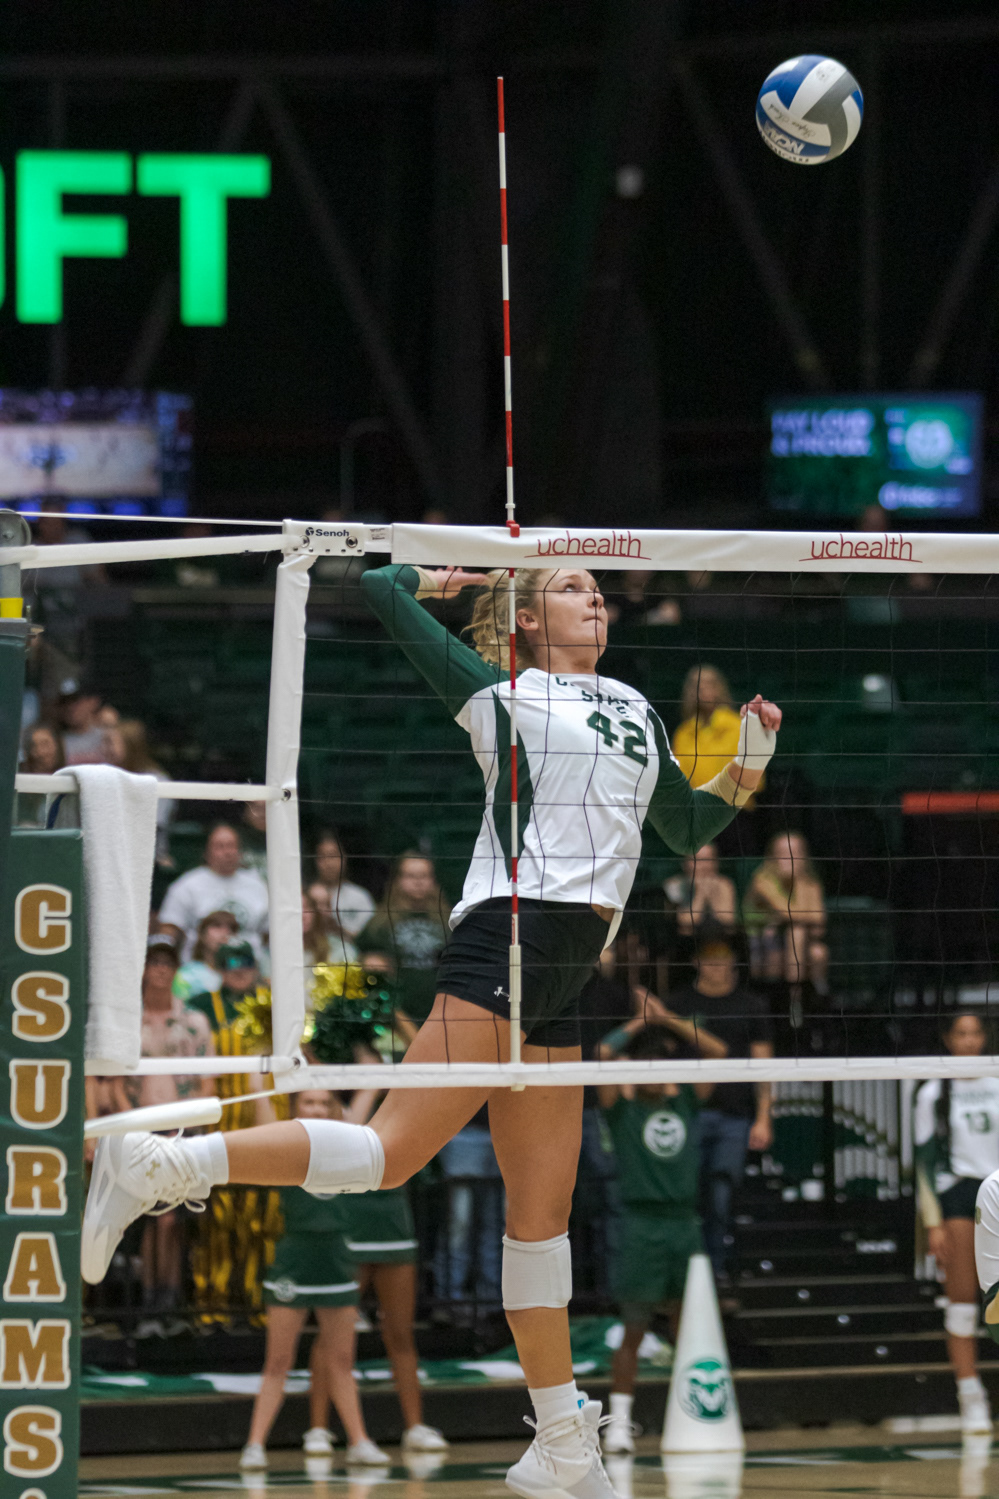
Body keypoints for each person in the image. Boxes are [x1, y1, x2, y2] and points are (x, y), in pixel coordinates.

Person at [82, 561, 781, 1499]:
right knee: (391, 1152)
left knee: (540, 1222)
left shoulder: (633, 704)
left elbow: (680, 830)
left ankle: (561, 1441)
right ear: (526, 620)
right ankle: (165, 1165)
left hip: (574, 958)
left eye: (596, 587)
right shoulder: (504, 696)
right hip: (517, 927)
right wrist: (428, 576)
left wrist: (747, 765)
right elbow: (377, 590)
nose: (595, 596)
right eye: (571, 587)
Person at [241, 1088, 390, 1471]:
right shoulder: (287, 1147)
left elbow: (366, 1095)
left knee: (342, 1361)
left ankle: (359, 1441)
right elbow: (262, 1119)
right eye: (309, 1102)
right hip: (295, 1260)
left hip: (337, 1261)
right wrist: (259, 1084)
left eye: (324, 1102)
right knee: (278, 1361)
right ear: (295, 1108)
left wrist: (368, 1076)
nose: (317, 1108)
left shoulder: (348, 1143)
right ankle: (255, 1446)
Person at [595, 1026, 720, 1455]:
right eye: (645, 1067)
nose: (653, 1075)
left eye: (660, 1068)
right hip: (641, 1224)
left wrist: (669, 1020)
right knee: (633, 1328)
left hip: (685, 1224)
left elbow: (719, 1052)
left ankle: (687, 1419)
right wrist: (635, 1026)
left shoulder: (684, 1100)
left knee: (690, 1329)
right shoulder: (621, 1109)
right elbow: (600, 1055)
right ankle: (617, 1425)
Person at [312, 1085, 448, 1456]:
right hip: (352, 1231)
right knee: (333, 1338)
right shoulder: (337, 1110)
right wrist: (369, 1081)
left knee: (400, 1335)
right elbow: (353, 1128)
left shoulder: (407, 1107)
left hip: (394, 1230)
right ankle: (319, 1430)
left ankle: (415, 1426)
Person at [669, 939, 774, 1284]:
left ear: (733, 965)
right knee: (685, 1194)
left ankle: (715, 1270)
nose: (716, 968)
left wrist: (763, 1117)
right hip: (687, 1113)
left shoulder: (751, 1005)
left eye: (723, 961)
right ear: (697, 963)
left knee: (721, 1194)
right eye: (709, 961)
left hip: (734, 1114)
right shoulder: (679, 1002)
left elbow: (763, 1066)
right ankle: (686, 1269)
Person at [916, 1014, 999, 1435]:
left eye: (975, 1033)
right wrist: (932, 1223)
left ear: (984, 1038)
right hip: (960, 1195)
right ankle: (970, 1396)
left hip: (998, 1187)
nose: (968, 1041)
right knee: (964, 1301)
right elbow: (924, 1163)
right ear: (949, 1039)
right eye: (960, 1034)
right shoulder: (934, 1091)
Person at [355, 853, 451, 1026]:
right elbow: (360, 956)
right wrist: (368, 961)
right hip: (394, 1018)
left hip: (441, 1014)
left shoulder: (448, 920)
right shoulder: (380, 922)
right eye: (411, 876)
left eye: (424, 876)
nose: (418, 882)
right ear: (398, 880)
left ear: (433, 880)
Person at [158, 823, 269, 962]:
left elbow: (269, 933)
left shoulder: (257, 884)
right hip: (200, 968)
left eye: (231, 846)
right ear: (207, 852)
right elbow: (169, 929)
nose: (227, 852)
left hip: (249, 968)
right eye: (220, 846)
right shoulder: (186, 885)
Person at [743, 831, 828, 996]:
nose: (790, 859)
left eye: (796, 853)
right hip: (761, 941)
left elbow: (819, 927)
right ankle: (793, 995)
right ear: (772, 857)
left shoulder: (809, 883)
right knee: (796, 930)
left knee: (818, 952)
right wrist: (807, 914)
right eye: (783, 854)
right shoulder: (762, 880)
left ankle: (814, 1000)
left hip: (797, 942)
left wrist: (799, 882)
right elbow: (786, 912)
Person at [671, 666, 744, 789]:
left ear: (720, 687)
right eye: (696, 684)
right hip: (694, 804)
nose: (702, 687)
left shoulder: (738, 726)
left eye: (709, 683)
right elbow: (677, 780)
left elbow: (754, 779)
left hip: (734, 805)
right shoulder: (683, 733)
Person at [307, 831, 376, 941]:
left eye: (334, 856)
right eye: (322, 856)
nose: (329, 863)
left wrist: (334, 926)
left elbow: (368, 939)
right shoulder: (306, 895)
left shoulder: (360, 896)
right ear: (315, 860)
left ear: (344, 859)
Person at [664, 843, 738, 939]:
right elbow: (686, 923)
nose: (703, 866)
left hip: (719, 941)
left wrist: (712, 894)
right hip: (685, 942)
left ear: (716, 863)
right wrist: (700, 893)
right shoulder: (674, 885)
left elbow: (728, 921)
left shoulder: (725, 884)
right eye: (697, 860)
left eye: (708, 859)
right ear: (685, 864)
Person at [172, 909, 240, 1003]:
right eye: (217, 926)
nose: (225, 933)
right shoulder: (187, 974)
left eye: (232, 928)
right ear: (202, 934)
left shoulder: (244, 972)